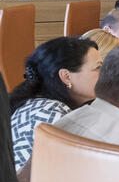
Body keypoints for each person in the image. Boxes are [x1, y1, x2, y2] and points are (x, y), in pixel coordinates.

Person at [9, 37, 100, 171]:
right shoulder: (48, 114)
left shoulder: (42, 104)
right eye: (98, 68)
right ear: (66, 76)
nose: (106, 74)